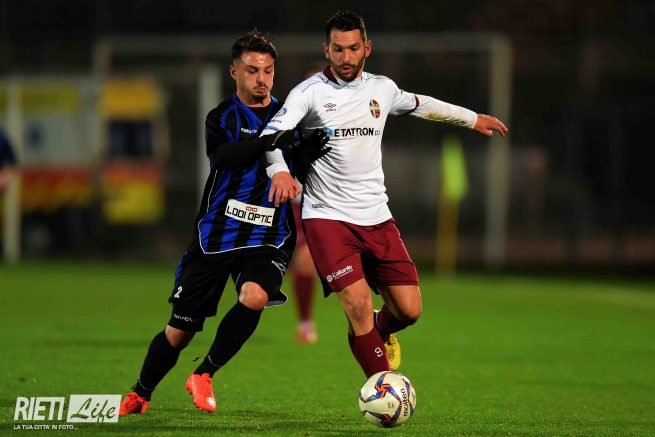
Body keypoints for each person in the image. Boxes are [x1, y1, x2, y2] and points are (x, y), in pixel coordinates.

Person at [263, 11, 508, 378]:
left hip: (377, 216)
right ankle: (382, 388)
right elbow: (271, 135)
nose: (346, 57)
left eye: (353, 48)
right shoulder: (309, 92)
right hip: (328, 218)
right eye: (338, 49)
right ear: (326, 50)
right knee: (357, 305)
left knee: (409, 310)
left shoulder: (382, 88)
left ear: (367, 48)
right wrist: (279, 170)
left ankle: (377, 331)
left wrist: (471, 118)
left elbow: (422, 104)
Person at [119, 30, 329, 415]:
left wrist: (311, 150)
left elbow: (297, 164)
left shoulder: (289, 116)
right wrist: (268, 141)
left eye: (268, 70)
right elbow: (221, 157)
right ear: (234, 72)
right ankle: (141, 392)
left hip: (268, 234)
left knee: (255, 296)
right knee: (180, 331)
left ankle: (205, 373)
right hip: (217, 234)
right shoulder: (222, 117)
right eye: (252, 70)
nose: (261, 78)